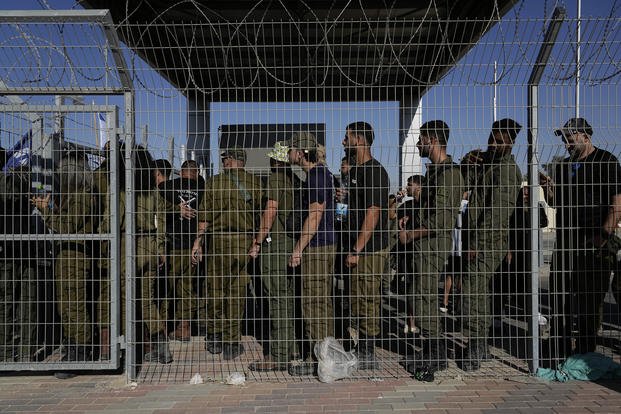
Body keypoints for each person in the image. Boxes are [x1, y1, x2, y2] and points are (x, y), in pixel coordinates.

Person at [544, 117, 621, 363]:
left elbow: (617, 203)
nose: (566, 143)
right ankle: (560, 347)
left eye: (570, 137)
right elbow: (557, 204)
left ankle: (586, 351)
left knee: (590, 300)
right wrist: (548, 190)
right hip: (566, 241)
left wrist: (603, 235)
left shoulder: (606, 161)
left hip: (594, 241)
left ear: (585, 137)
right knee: (561, 295)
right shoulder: (564, 166)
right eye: (564, 139)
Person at [398, 120, 465, 381]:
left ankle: (436, 356)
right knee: (419, 297)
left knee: (425, 299)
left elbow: (440, 221)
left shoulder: (448, 174)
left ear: (433, 140)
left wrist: (410, 234)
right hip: (422, 246)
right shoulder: (436, 172)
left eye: (422, 139)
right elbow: (427, 211)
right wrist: (410, 219)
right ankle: (429, 349)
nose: (418, 144)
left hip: (431, 247)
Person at [97, 144, 172, 365]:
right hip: (149, 244)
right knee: (146, 300)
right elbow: (162, 221)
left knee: (122, 297)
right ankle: (162, 347)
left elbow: (113, 219)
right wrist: (160, 249)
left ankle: (124, 348)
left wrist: (103, 235)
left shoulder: (119, 187)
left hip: (126, 244)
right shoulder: (152, 189)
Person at [459, 118, 523, 372]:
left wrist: (476, 243)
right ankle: (479, 344)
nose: (493, 145)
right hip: (479, 240)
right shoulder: (489, 163)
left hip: (488, 241)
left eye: (499, 141)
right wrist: (468, 160)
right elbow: (465, 179)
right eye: (491, 139)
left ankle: (476, 345)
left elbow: (497, 215)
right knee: (478, 291)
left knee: (474, 291)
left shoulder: (506, 171)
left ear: (510, 143)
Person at [192, 147, 263, 360]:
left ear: (232, 160)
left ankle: (214, 336)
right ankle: (232, 342)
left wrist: (198, 241)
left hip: (218, 242)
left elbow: (204, 217)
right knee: (236, 292)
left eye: (225, 159)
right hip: (243, 242)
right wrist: (255, 242)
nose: (223, 162)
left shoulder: (214, 182)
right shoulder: (256, 182)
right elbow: (261, 216)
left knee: (215, 288)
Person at [32, 150, 96, 377]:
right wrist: (50, 209)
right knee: (66, 305)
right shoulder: (74, 194)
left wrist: (46, 213)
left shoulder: (83, 195)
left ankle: (81, 353)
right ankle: (72, 347)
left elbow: (69, 225)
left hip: (75, 257)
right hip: (66, 256)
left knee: (74, 305)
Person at [285, 132, 336, 376]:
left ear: (302, 153)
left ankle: (316, 359)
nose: (289, 152)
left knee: (313, 303)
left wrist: (298, 249)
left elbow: (314, 215)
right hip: (322, 244)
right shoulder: (321, 173)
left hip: (316, 246)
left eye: (293, 148)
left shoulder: (316, 175)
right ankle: (324, 356)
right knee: (321, 302)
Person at [341, 121, 390, 370]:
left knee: (368, 298)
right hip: (357, 246)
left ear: (359, 140)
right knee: (358, 298)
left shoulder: (375, 171)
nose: (343, 142)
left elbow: (373, 213)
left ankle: (368, 353)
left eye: (347, 137)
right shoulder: (355, 172)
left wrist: (356, 249)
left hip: (369, 249)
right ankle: (361, 346)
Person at [247, 141, 298, 372]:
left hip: (275, 245)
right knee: (286, 299)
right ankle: (289, 348)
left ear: (276, 160)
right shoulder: (295, 180)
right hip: (289, 243)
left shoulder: (276, 178)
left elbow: (270, 210)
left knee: (275, 299)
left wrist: (257, 242)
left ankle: (277, 355)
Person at [157, 160, 205, 342]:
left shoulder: (167, 187)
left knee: (166, 288)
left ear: (181, 171)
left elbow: (158, 209)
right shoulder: (203, 189)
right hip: (193, 245)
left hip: (171, 245)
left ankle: (162, 328)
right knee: (187, 288)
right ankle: (184, 328)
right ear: (197, 172)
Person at [0, 166, 37, 362]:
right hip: (23, 252)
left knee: (8, 304)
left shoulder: (8, 185)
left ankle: (7, 353)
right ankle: (24, 353)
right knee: (26, 304)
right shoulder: (29, 187)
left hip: (8, 252)